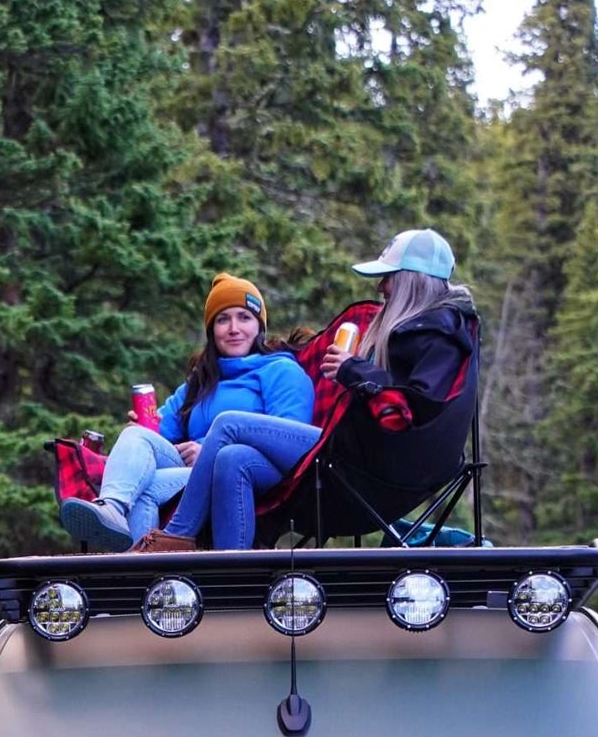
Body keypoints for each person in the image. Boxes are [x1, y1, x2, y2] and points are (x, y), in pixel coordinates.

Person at [134, 227, 478, 555]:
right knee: (231, 457)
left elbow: (417, 405)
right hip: (355, 454)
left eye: (387, 278)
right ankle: (233, 577)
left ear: (409, 281)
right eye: (223, 321)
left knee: (228, 424)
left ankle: (177, 536)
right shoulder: (417, 330)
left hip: (366, 465)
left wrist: (352, 369)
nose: (381, 287)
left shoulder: (440, 334)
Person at [60, 275, 315, 551]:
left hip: (264, 470)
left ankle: (175, 538)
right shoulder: (201, 381)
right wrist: (144, 427)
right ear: (211, 330)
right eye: (222, 319)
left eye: (244, 317)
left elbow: (288, 437)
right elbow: (159, 432)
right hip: (195, 475)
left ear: (259, 326)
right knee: (138, 446)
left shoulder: (280, 369)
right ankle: (118, 523)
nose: (233, 328)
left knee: (228, 443)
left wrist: (206, 448)